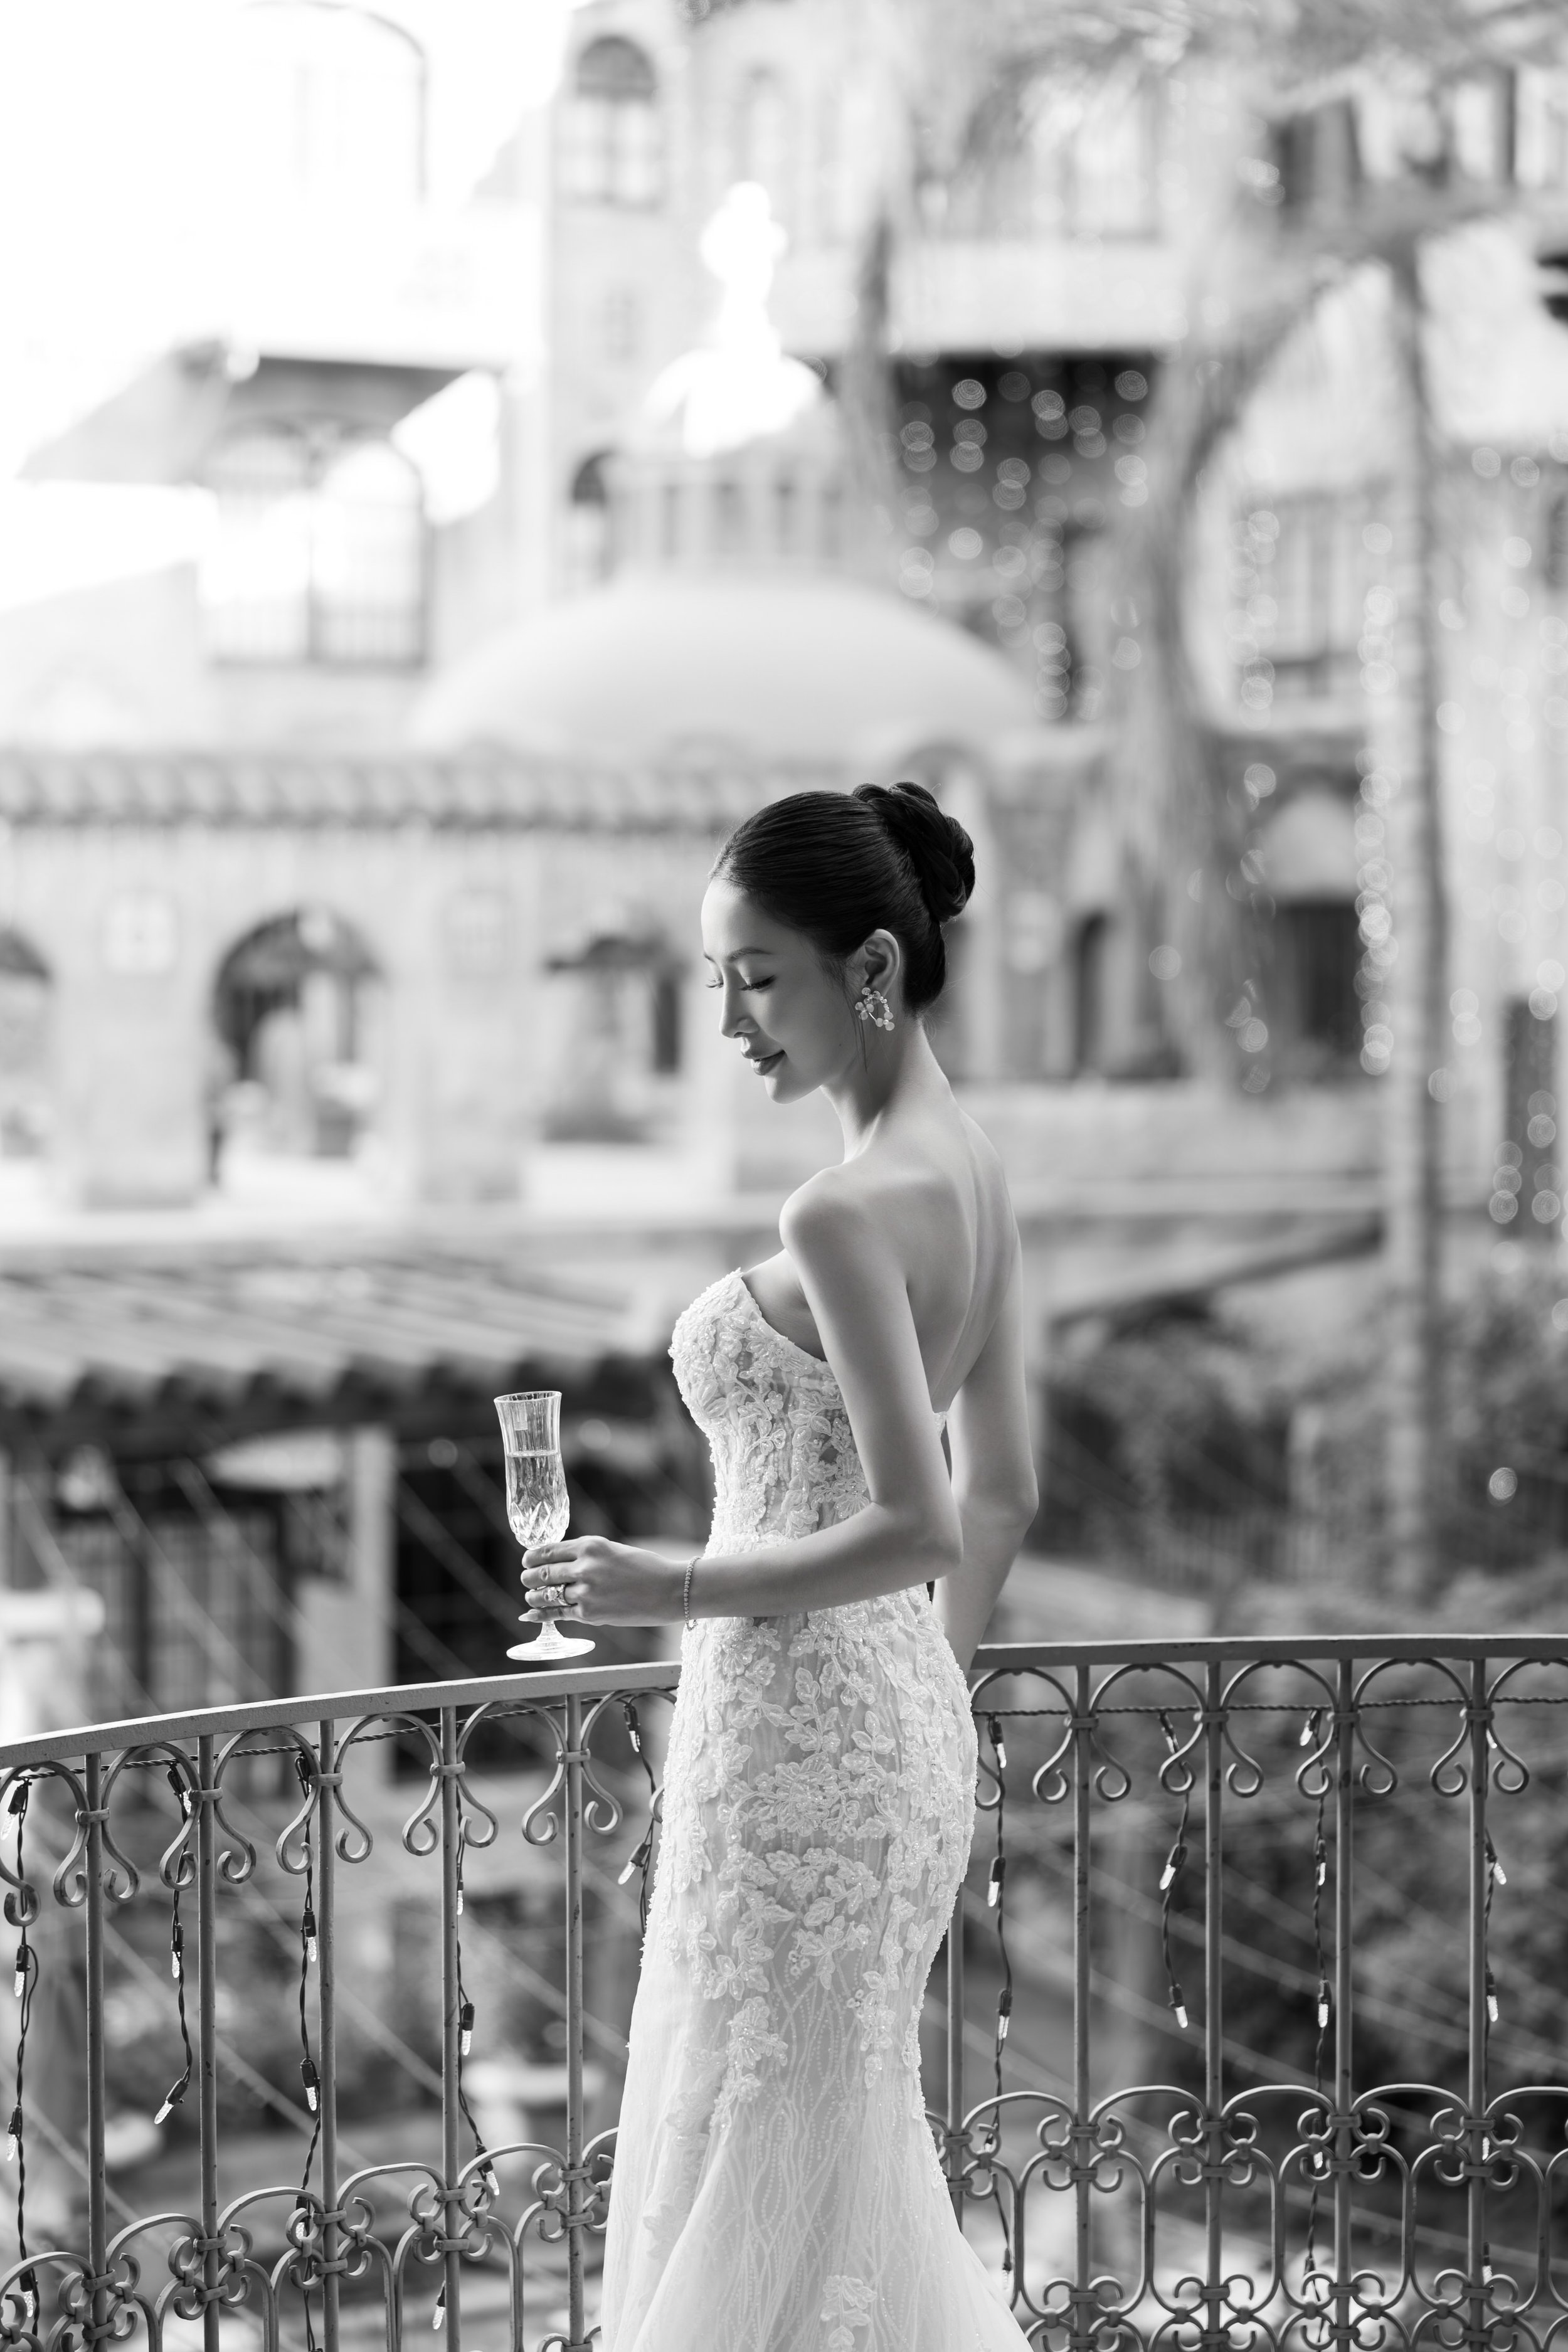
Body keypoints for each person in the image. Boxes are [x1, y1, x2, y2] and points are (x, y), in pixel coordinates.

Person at [522, 781, 1039, 2349]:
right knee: (825, 2142)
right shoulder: (978, 1173)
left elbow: (920, 1517)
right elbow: (1004, 1491)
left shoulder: (837, 1209)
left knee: (754, 2141)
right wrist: (911, 1706)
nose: (732, 1020)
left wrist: (657, 1590)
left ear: (869, 971)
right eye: (716, 983)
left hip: (798, 1733)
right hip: (886, 1733)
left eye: (759, 978)